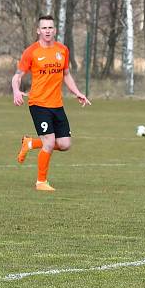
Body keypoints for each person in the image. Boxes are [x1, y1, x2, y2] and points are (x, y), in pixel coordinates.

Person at [12, 15, 91, 191]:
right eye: (44, 28)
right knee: (49, 142)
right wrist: (16, 90)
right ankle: (41, 182)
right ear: (38, 31)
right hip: (39, 103)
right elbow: (17, 76)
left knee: (64, 144)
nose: (47, 31)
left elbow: (66, 74)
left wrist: (77, 93)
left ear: (54, 30)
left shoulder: (62, 50)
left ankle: (30, 143)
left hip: (57, 104)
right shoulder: (31, 51)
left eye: (50, 28)